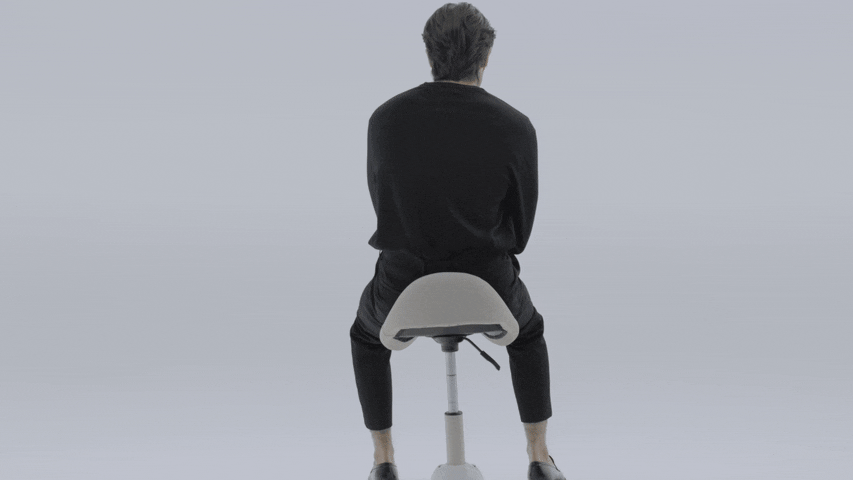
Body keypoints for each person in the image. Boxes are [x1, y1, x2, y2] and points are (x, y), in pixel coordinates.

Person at [350, 4, 565, 480]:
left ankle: (383, 462)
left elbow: (384, 205)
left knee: (366, 338)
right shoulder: (514, 125)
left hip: (402, 284)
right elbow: (521, 231)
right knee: (528, 334)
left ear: (430, 54)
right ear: (485, 58)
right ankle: (539, 457)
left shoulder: (385, 119)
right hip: (488, 283)